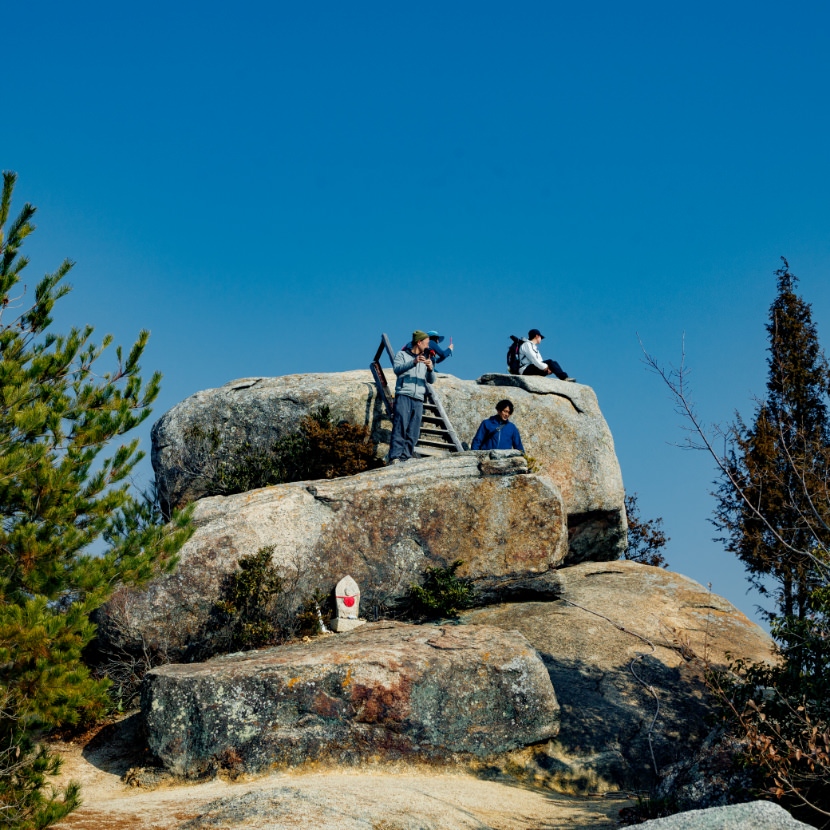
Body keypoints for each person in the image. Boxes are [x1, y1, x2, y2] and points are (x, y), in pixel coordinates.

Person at [388, 330, 436, 464]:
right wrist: (414, 362)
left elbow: (431, 380)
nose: (428, 346)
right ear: (419, 342)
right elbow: (397, 369)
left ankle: (406, 456)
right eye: (426, 343)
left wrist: (431, 369)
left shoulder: (426, 357)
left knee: (414, 430)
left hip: (419, 398)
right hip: (404, 395)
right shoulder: (401, 354)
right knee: (400, 425)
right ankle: (395, 457)